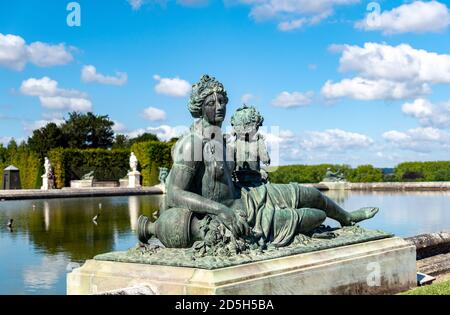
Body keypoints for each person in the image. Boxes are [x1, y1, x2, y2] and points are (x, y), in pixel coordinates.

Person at [139, 75, 378, 248]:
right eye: (212, 103)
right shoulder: (192, 142)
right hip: (233, 213)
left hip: (247, 197)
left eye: (222, 101)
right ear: (199, 108)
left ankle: (346, 218)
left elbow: (226, 181)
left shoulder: (219, 138)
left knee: (307, 193)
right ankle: (317, 220)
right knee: (315, 215)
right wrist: (220, 210)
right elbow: (174, 193)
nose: (220, 107)